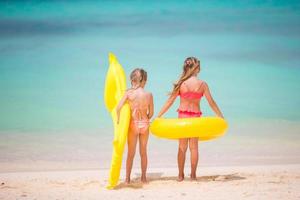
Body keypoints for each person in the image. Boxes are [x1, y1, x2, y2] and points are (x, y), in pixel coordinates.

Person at [157, 57, 224, 181]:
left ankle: (180, 175)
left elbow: (169, 102)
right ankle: (193, 175)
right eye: (199, 67)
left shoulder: (182, 84)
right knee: (194, 148)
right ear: (196, 69)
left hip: (183, 119)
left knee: (182, 147)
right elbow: (211, 102)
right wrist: (220, 116)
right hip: (196, 119)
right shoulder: (202, 84)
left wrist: (158, 116)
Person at [116, 68, 154, 183]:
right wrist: (145, 118)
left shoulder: (129, 93)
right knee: (143, 152)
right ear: (142, 80)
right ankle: (143, 177)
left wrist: (119, 121)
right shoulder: (149, 94)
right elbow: (151, 113)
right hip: (145, 124)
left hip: (133, 124)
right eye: (145, 81)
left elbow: (118, 107)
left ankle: (127, 179)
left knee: (131, 153)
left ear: (132, 80)